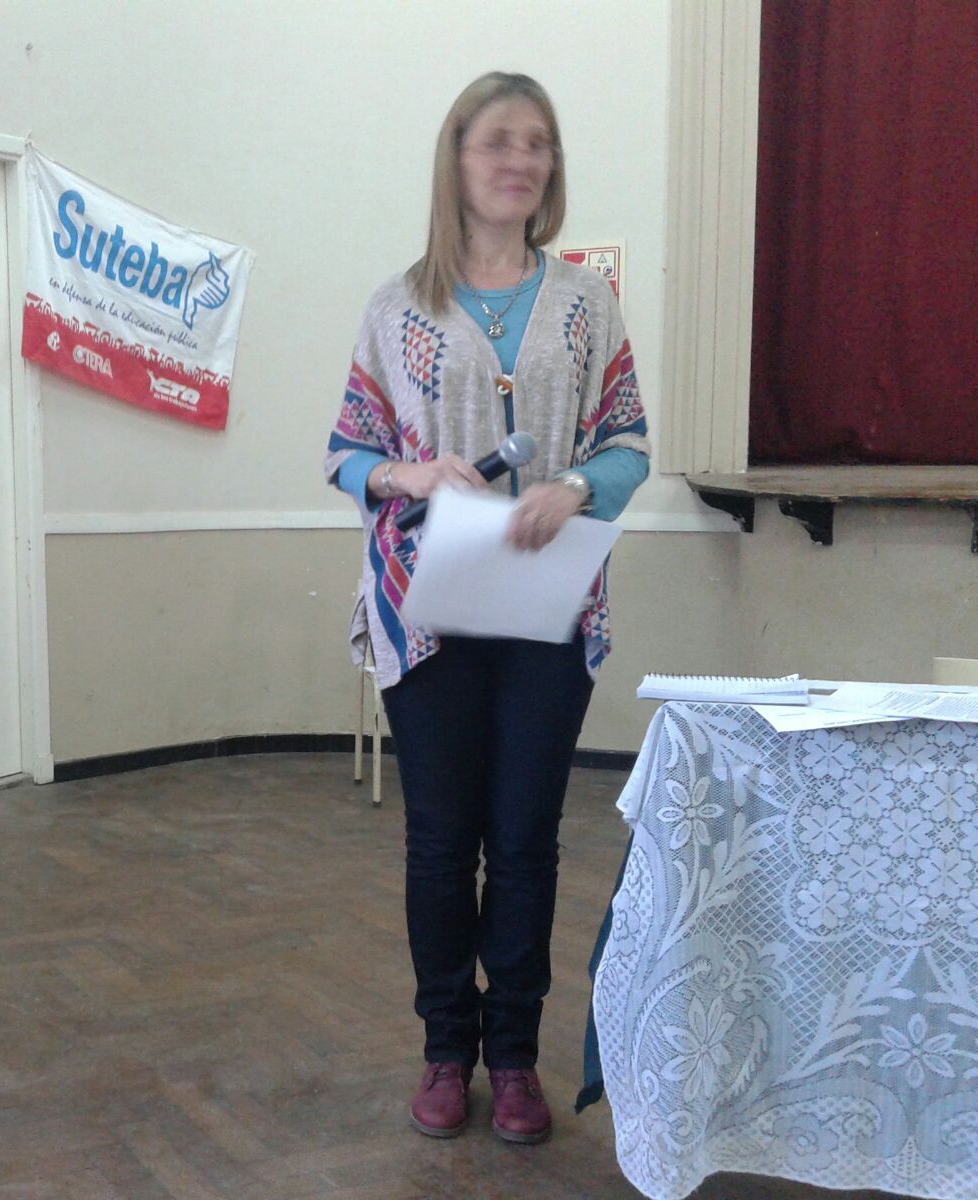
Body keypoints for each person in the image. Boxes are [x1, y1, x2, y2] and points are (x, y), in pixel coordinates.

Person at [323, 73, 650, 1145]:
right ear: (455, 158)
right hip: (429, 610)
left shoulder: (587, 305)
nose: (521, 160)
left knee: (523, 843)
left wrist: (580, 487)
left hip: (551, 608)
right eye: (499, 140)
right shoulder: (395, 307)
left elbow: (628, 440)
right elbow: (347, 452)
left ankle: (512, 1058)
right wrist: (408, 474)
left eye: (538, 143)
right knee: (437, 843)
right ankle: (443, 1048)